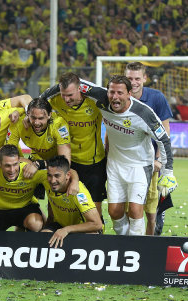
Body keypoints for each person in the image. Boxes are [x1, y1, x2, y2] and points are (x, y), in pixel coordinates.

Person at [79, 76, 177, 235]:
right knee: (114, 212)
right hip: (115, 164)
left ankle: (135, 247)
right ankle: (124, 244)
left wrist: (168, 171)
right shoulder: (102, 98)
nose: (115, 97)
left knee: (135, 210)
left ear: (129, 94)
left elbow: (163, 139)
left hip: (140, 165)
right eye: (112, 92)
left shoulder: (144, 113)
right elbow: (75, 83)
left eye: (120, 92)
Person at [40, 72, 106, 217]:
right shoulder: (55, 100)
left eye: (70, 95)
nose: (66, 99)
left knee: (94, 210)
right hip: (69, 161)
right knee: (61, 206)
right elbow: (38, 106)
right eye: (63, 94)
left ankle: (97, 235)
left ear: (79, 89)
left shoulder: (94, 101)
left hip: (94, 163)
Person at [125, 62, 174, 235]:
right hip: (128, 161)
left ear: (144, 78)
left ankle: (152, 239)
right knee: (130, 209)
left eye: (137, 78)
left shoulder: (156, 97)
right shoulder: (119, 97)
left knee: (152, 214)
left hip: (152, 161)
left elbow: (165, 130)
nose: (133, 82)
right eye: (129, 78)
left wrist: (159, 159)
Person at [0, 145, 45, 231]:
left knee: (36, 224)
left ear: (19, 161)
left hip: (24, 208)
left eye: (15, 164)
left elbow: (57, 169)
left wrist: (39, 164)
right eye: (7, 166)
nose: (12, 170)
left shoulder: (30, 170)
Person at [42, 155, 103, 248]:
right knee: (43, 236)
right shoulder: (45, 179)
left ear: (68, 175)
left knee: (92, 237)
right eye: (49, 175)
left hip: (81, 228)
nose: (52, 180)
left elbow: (97, 224)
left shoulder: (78, 192)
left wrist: (67, 230)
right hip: (60, 225)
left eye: (57, 176)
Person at [7, 97, 71, 178]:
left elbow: (65, 162)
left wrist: (39, 164)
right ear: (28, 114)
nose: (36, 123)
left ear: (49, 115)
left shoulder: (59, 125)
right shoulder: (18, 123)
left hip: (56, 163)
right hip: (33, 161)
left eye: (41, 118)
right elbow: (8, 155)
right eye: (33, 117)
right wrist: (30, 163)